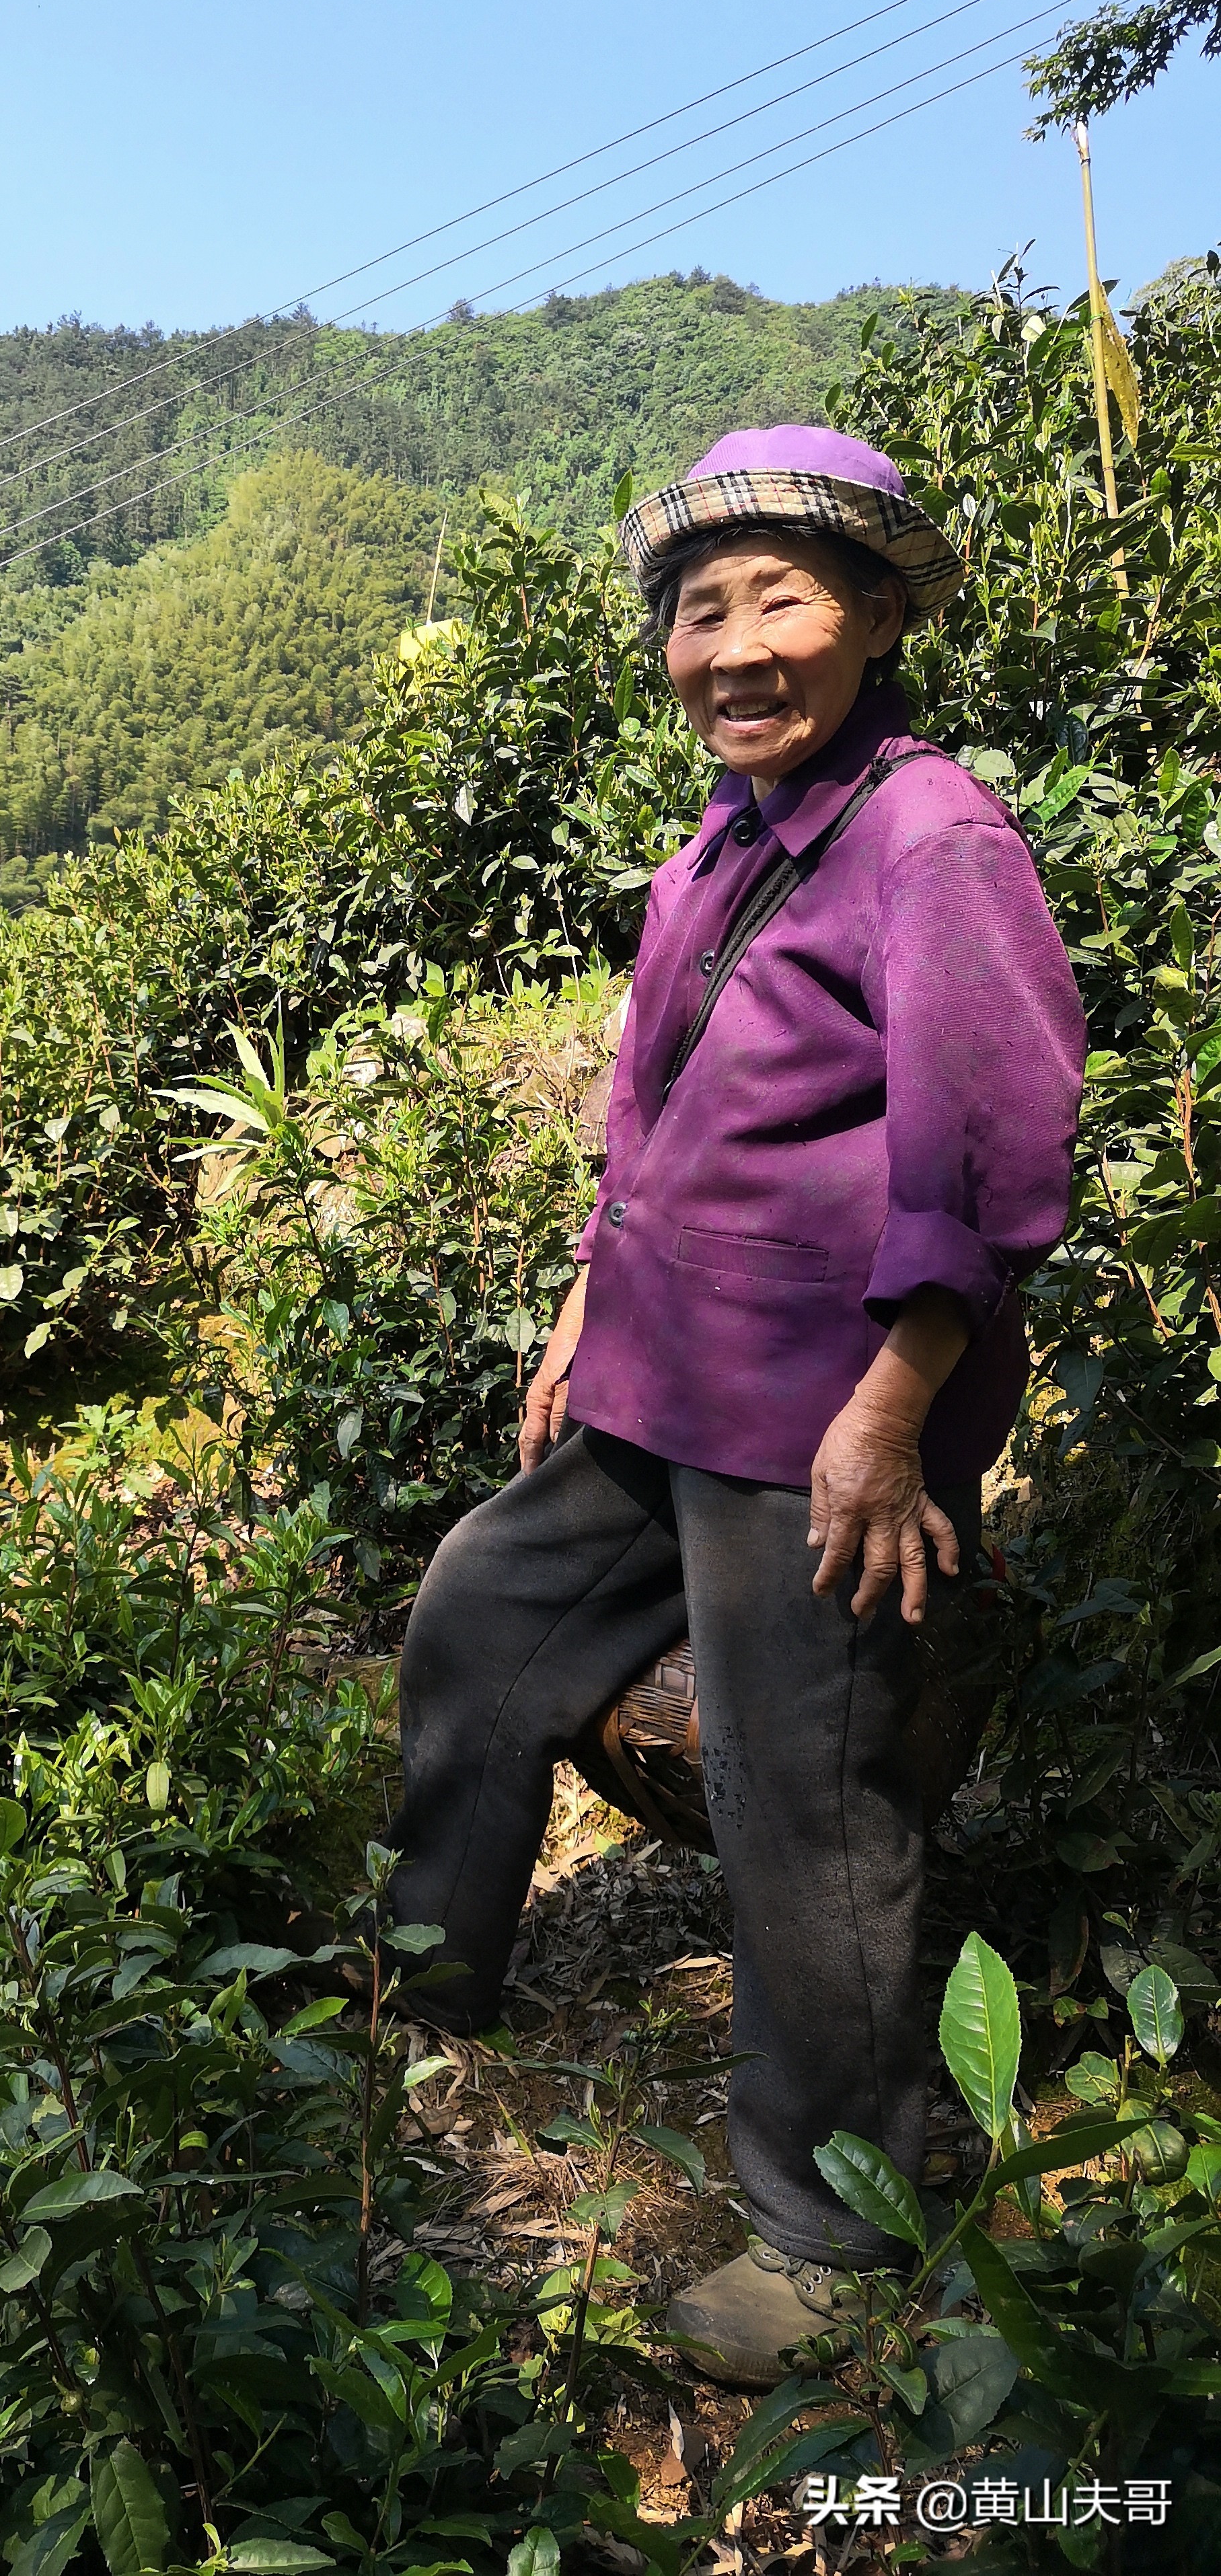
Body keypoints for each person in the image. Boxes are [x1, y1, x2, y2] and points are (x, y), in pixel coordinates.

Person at [386, 426, 1085, 2385]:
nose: (738, 644)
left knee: (812, 1817)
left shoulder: (929, 836)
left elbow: (1004, 1146)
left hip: (822, 1421)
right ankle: (429, 1989)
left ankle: (828, 2237)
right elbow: (655, 1115)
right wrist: (578, 1297)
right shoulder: (724, 836)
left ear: (870, 618)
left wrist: (893, 1414)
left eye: (784, 597)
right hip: (656, 1375)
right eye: (704, 609)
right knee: (481, 1619)